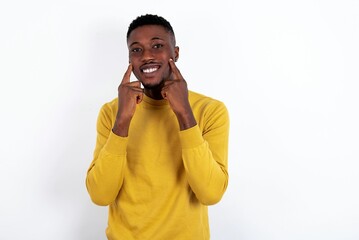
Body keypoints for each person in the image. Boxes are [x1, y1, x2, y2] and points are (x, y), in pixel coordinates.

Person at [86, 14, 230, 240]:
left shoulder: (210, 110)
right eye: (136, 50)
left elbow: (210, 193)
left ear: (176, 53)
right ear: (129, 59)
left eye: (157, 45)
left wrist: (184, 113)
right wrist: (122, 121)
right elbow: (100, 195)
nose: (147, 56)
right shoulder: (112, 112)